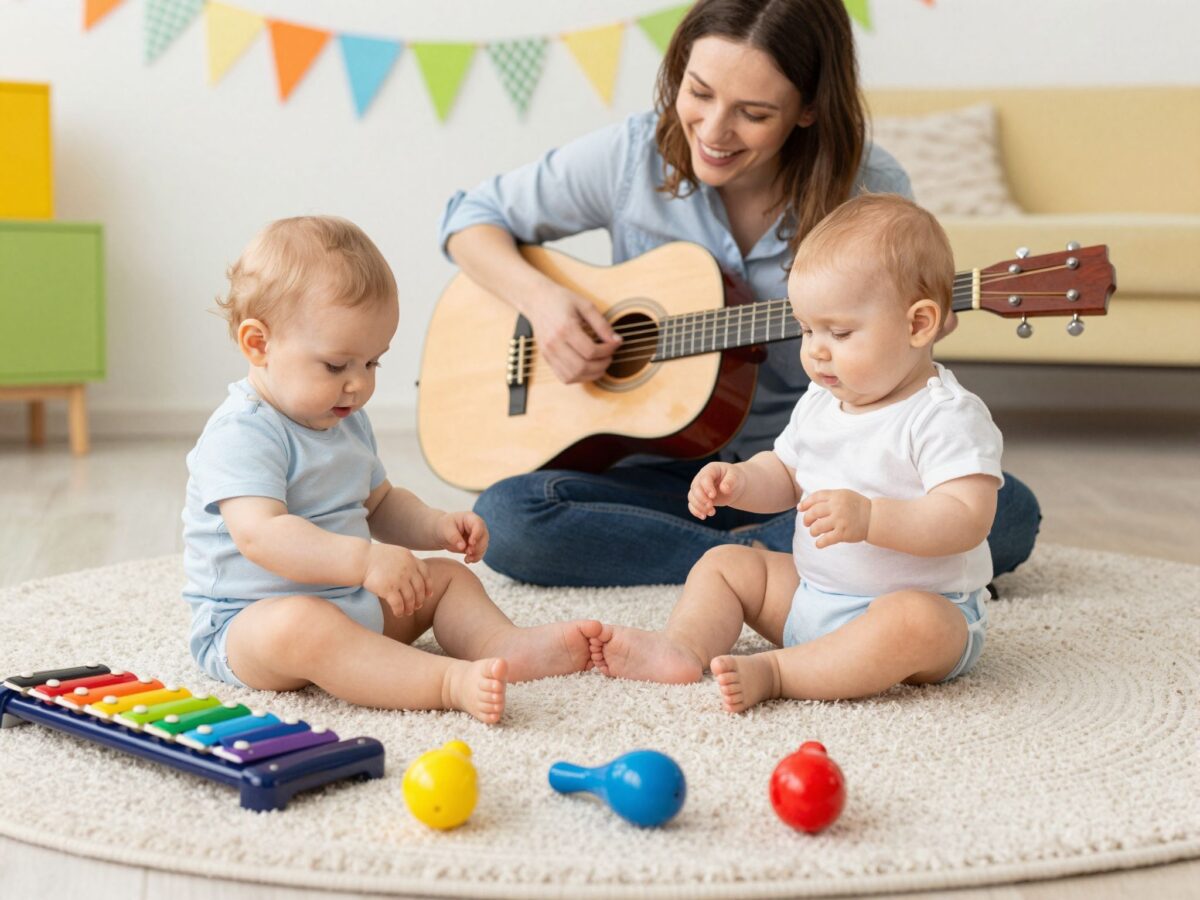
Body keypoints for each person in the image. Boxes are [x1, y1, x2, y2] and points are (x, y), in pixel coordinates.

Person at [438, 0, 1039, 588]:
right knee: (510, 517)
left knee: (1004, 512)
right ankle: (762, 561)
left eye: (752, 113)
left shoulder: (869, 189)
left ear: (807, 109)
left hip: (811, 479)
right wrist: (544, 305)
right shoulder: (631, 156)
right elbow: (470, 219)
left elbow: (910, 348)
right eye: (698, 92)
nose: (713, 130)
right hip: (658, 472)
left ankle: (731, 561)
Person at [181, 216, 601, 723]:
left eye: (372, 363)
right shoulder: (243, 432)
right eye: (337, 365)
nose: (358, 385)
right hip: (252, 628)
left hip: (353, 603)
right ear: (258, 344)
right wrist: (363, 563)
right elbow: (262, 536)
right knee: (304, 626)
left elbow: (378, 502)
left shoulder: (344, 418)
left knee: (444, 580)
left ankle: (501, 645)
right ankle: (445, 682)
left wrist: (435, 526)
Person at [589, 194, 999, 710]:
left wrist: (872, 518)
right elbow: (786, 472)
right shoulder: (822, 400)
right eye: (807, 329)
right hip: (812, 597)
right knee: (725, 564)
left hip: (923, 613)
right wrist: (740, 482)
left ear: (918, 325)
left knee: (914, 622)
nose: (816, 350)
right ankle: (683, 649)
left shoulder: (944, 415)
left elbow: (966, 519)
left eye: (841, 332)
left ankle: (778, 673)